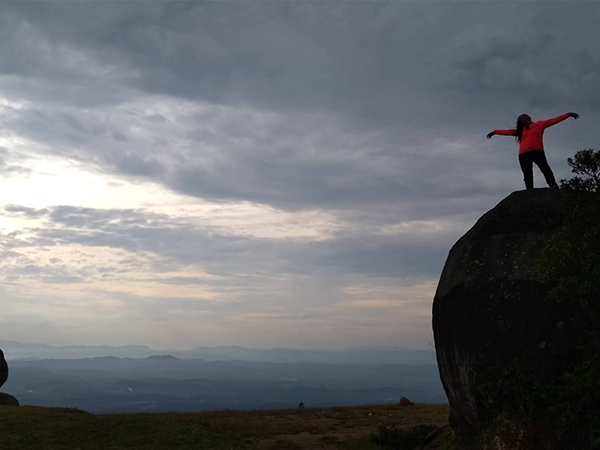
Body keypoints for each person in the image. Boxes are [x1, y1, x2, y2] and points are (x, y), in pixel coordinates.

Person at [487, 112, 579, 189]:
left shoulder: (539, 124)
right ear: (521, 123)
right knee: (527, 174)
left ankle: (553, 185)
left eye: (525, 118)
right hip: (523, 154)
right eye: (522, 120)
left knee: (545, 168)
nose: (525, 120)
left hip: (537, 152)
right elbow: (507, 132)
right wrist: (495, 132)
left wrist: (568, 115)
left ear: (529, 118)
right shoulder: (520, 131)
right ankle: (530, 190)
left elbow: (554, 120)